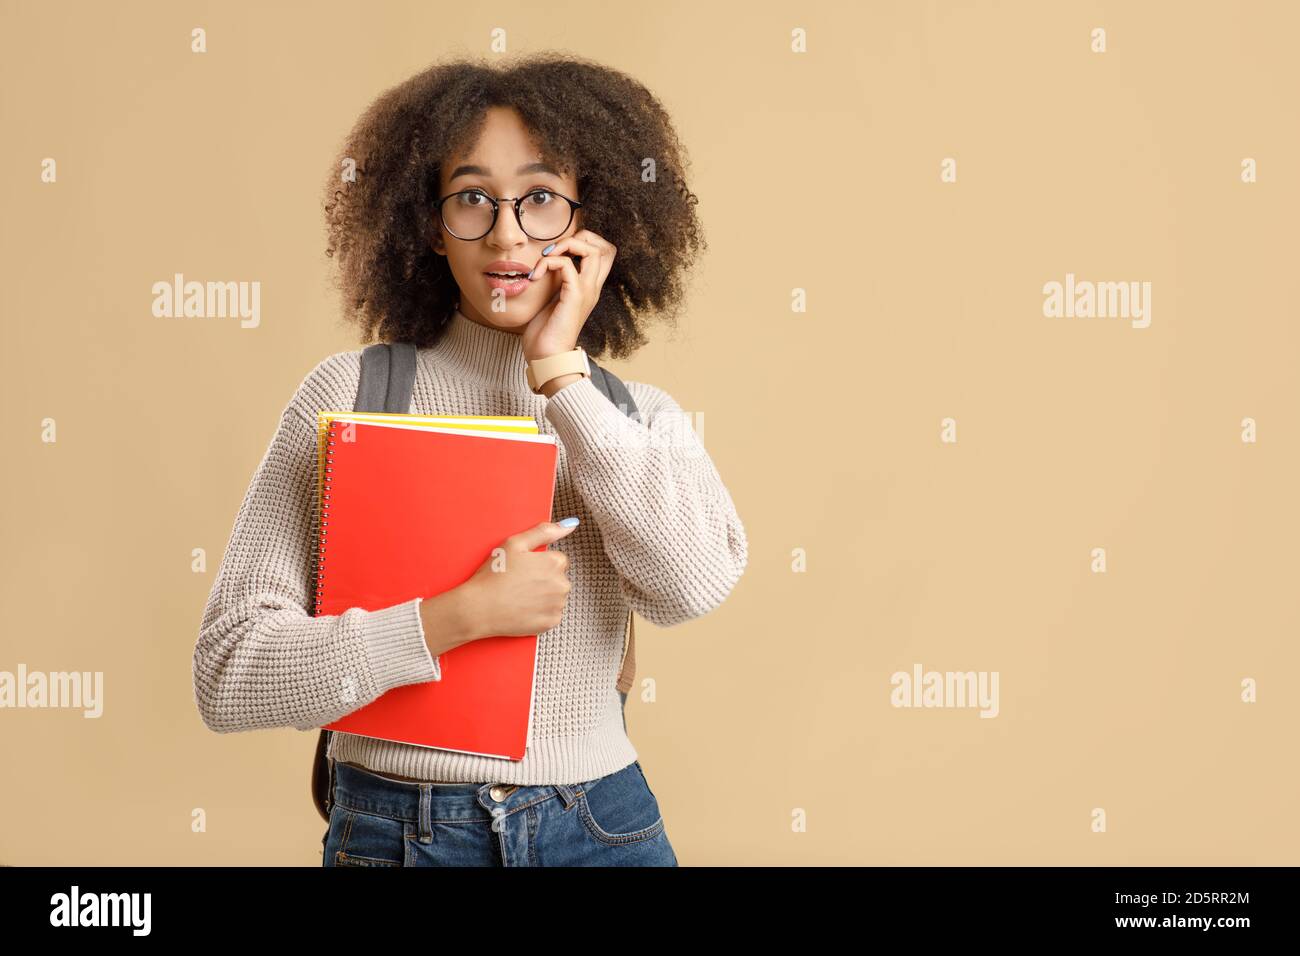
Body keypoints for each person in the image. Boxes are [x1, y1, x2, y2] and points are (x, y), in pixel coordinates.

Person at [193, 51, 747, 866]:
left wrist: (562, 375)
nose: (508, 233)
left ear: (594, 225)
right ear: (427, 221)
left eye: (542, 199)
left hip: (600, 827)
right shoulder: (347, 396)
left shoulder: (634, 418)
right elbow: (230, 670)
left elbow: (688, 587)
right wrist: (457, 617)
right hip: (396, 833)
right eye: (473, 199)